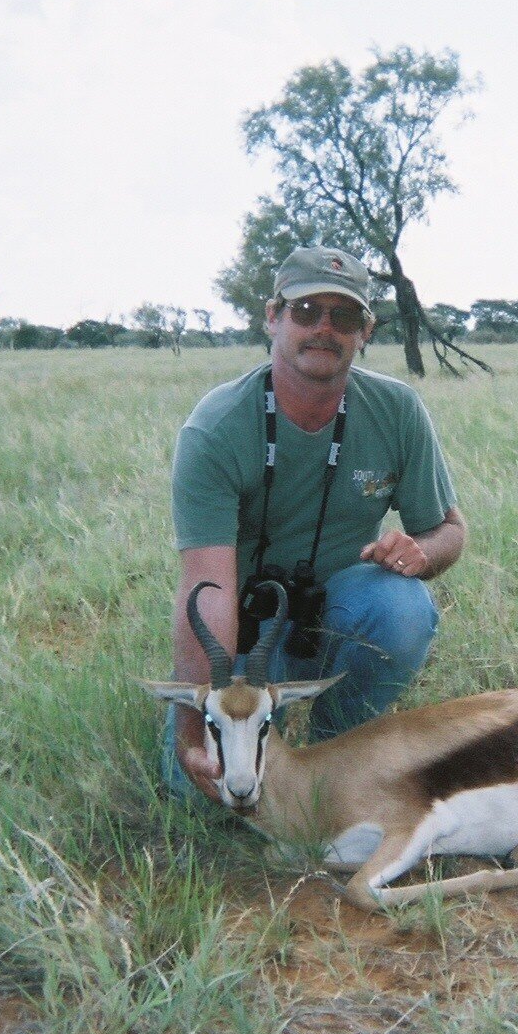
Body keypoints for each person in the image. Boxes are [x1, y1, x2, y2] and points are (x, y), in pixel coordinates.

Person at [161, 246, 467, 802]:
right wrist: (190, 730)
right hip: (249, 640)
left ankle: (335, 748)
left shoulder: (397, 410)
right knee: (193, 797)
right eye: (306, 311)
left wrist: (422, 553)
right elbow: (208, 591)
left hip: (339, 617)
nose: (324, 329)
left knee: (403, 609)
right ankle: (239, 734)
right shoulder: (216, 428)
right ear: (273, 316)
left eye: (344, 316)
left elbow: (448, 530)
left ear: (366, 330)